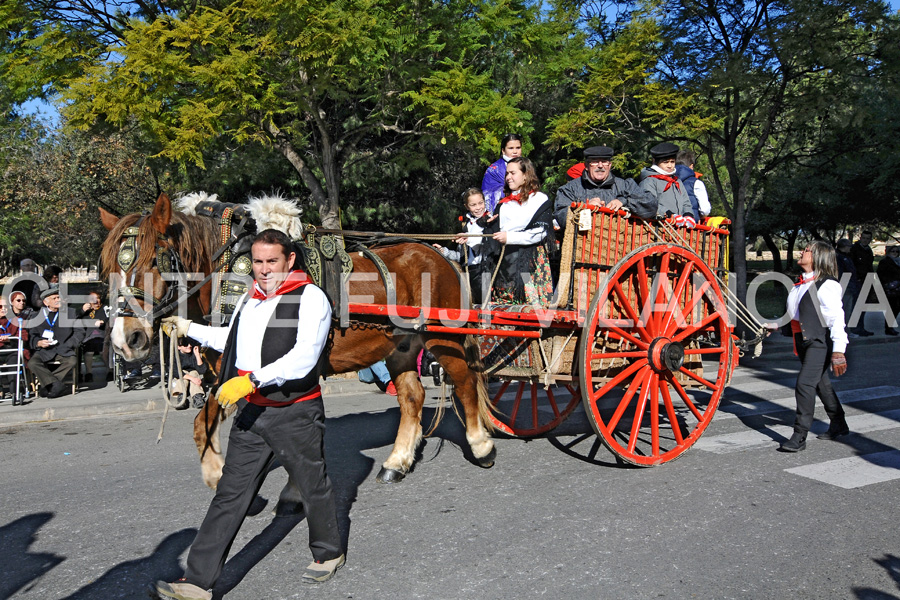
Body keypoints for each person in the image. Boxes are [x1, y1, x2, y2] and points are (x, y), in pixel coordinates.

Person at [155, 228, 343, 600]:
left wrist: (251, 380)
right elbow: (233, 340)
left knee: (311, 486)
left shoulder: (311, 298)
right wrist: (189, 327)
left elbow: (304, 359)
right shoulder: (250, 299)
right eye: (257, 261)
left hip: (295, 412)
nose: (263, 269)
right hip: (252, 414)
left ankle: (329, 552)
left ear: (289, 260)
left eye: (272, 261)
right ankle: (197, 582)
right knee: (230, 494)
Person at [776, 241, 849, 452]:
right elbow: (794, 316)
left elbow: (837, 319)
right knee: (820, 384)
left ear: (818, 257)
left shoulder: (828, 285)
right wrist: (773, 325)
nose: (801, 251)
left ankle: (799, 435)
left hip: (819, 342)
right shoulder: (800, 284)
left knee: (805, 384)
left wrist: (838, 351)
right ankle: (839, 423)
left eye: (806, 250)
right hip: (803, 341)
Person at [489, 156, 556, 306]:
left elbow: (540, 232)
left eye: (513, 173)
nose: (508, 177)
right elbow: (493, 232)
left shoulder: (539, 199)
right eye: (507, 174)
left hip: (531, 260)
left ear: (526, 175)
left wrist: (510, 237)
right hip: (507, 260)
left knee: (532, 306)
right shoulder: (503, 204)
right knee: (506, 304)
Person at [553, 145, 657, 229]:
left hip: (618, 249)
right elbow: (561, 217)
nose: (600, 165)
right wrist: (585, 207)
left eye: (604, 161)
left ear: (610, 165)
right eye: (595, 161)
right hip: (582, 248)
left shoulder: (626, 185)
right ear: (586, 165)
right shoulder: (570, 189)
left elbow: (651, 205)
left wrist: (624, 201)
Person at [433, 188, 497, 304]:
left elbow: (488, 246)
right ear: (467, 206)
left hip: (486, 271)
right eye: (473, 205)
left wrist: (469, 238)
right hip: (469, 273)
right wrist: (445, 252)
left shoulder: (491, 221)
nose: (478, 207)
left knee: (486, 306)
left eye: (480, 203)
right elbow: (463, 256)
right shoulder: (467, 225)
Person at [27, 288, 84, 398]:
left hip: (63, 348)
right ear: (45, 302)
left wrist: (69, 344)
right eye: (54, 298)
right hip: (44, 350)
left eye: (59, 297)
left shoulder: (71, 313)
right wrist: (38, 343)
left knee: (72, 361)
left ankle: (48, 385)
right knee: (32, 363)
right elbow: (31, 335)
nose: (58, 300)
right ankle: (56, 385)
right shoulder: (35, 316)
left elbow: (79, 332)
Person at [638, 142, 695, 226]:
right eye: (665, 162)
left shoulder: (677, 181)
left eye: (672, 162)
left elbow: (686, 202)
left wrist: (688, 215)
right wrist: (669, 214)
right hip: (658, 226)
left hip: (678, 228)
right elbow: (649, 203)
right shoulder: (649, 181)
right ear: (655, 162)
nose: (670, 165)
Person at [481, 133, 524, 214]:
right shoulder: (494, 170)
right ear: (503, 150)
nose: (515, 151)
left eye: (518, 148)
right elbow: (487, 194)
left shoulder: (526, 165)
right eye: (511, 148)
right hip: (502, 209)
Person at [77, 291, 109, 382]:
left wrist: (103, 322)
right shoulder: (85, 310)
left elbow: (109, 318)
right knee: (89, 352)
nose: (96, 301)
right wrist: (82, 311)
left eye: (97, 298)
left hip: (103, 335)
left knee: (103, 351)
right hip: (89, 336)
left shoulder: (104, 308)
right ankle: (89, 373)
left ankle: (110, 370)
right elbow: (76, 318)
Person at [170, 337, 209, 409]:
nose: (189, 346)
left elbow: (202, 370)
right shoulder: (175, 356)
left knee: (194, 373)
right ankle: (181, 397)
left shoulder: (193, 353)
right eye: (185, 345)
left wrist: (197, 355)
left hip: (193, 374)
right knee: (183, 378)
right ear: (179, 347)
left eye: (190, 344)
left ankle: (197, 396)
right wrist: (192, 379)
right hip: (182, 376)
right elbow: (175, 372)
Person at [0, 297, 26, 403]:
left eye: (6, 307)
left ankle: (14, 391)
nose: (3, 309)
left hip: (12, 349)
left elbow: (24, 336)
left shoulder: (16, 320)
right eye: (0, 307)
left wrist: (10, 338)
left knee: (14, 361)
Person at [849, 231, 875, 336]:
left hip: (867, 280)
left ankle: (860, 327)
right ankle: (855, 328)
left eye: (868, 238)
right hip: (858, 280)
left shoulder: (868, 250)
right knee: (857, 304)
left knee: (863, 305)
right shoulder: (854, 249)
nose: (865, 240)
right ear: (860, 237)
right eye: (864, 238)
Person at [674, 149, 711, 221]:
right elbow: (705, 210)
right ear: (691, 166)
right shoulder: (696, 183)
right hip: (689, 227)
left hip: (669, 225)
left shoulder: (666, 179)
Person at [835, 239, 860, 337]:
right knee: (845, 310)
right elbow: (840, 273)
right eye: (849, 246)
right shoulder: (839, 257)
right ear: (844, 246)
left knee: (847, 310)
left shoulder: (846, 256)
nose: (851, 248)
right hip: (844, 287)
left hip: (849, 286)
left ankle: (846, 331)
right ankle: (844, 332)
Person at [876, 245, 900, 336]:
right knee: (892, 308)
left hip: (898, 288)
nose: (895, 253)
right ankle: (889, 328)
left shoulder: (898, 262)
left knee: (896, 308)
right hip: (889, 288)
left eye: (897, 251)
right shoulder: (885, 262)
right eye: (893, 251)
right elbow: (880, 274)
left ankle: (890, 327)